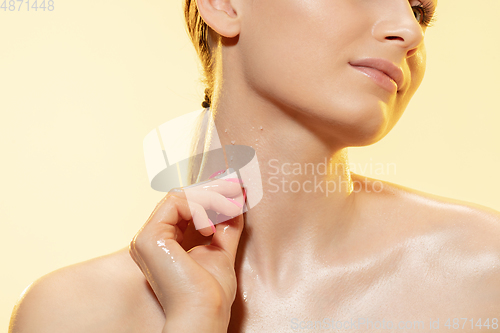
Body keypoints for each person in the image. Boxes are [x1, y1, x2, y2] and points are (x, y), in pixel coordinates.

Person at [9, 0, 500, 332]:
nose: (409, 29)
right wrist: (194, 321)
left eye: (420, 8)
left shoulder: (486, 269)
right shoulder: (68, 314)